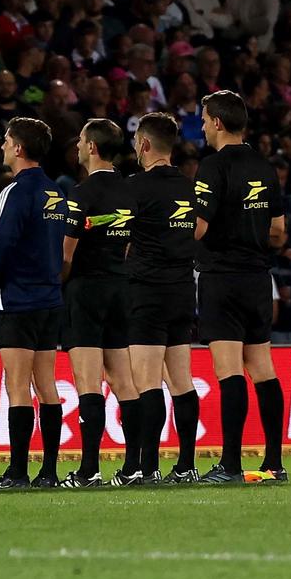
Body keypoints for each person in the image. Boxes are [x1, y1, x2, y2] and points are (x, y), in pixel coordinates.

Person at [192, 89, 289, 483]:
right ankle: (274, 463)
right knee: (263, 368)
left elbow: (197, 227)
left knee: (229, 369)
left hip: (221, 278)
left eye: (203, 120)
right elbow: (279, 232)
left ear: (217, 121)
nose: (201, 127)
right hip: (257, 278)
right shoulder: (265, 167)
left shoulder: (212, 167)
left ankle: (230, 463)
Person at [0, 116, 67, 490]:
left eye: (6, 140)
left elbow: (3, 245)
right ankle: (48, 472)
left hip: (17, 298)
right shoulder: (57, 193)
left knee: (17, 385)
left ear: (17, 147)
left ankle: (18, 472)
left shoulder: (14, 191)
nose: (1, 147)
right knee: (46, 384)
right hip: (50, 299)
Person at [118, 112, 202, 484]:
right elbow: (198, 229)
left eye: (138, 141)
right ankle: (186, 464)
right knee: (181, 379)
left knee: (147, 380)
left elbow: (120, 239)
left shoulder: (136, 187)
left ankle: (147, 467)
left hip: (147, 290)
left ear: (146, 145)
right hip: (183, 289)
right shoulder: (190, 187)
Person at [58, 117, 133, 488]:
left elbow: (66, 256)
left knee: (88, 380)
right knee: (124, 381)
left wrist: (59, 284)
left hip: (86, 290)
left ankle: (89, 470)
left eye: (81, 141)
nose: (76, 147)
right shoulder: (130, 192)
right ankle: (136, 466)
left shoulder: (81, 194)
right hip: (121, 288)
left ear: (90, 147)